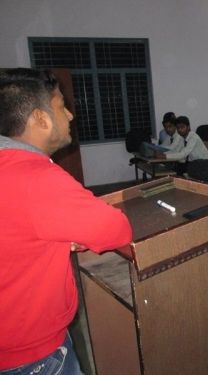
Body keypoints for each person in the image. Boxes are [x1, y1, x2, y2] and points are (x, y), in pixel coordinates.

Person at [0, 68, 132, 373]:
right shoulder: (36, 178)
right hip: (33, 357)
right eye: (61, 106)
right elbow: (117, 230)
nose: (70, 116)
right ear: (40, 118)